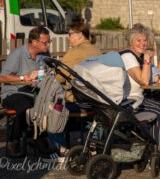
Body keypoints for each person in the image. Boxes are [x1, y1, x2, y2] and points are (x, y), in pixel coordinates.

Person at [120, 23, 160, 171]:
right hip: (129, 101)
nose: (143, 43)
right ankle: (154, 155)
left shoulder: (139, 57)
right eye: (138, 40)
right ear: (131, 41)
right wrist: (147, 59)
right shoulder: (128, 56)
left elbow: (154, 79)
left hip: (140, 98)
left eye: (144, 40)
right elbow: (144, 81)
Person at [48, 18, 102, 161]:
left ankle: (60, 148)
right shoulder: (97, 50)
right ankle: (93, 144)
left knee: (50, 108)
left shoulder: (76, 52)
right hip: (98, 100)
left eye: (70, 33)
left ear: (79, 35)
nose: (68, 36)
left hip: (78, 100)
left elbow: (58, 77)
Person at [1, 26, 50, 157]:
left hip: (34, 92)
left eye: (49, 42)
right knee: (25, 105)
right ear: (34, 42)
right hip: (13, 92)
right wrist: (25, 78)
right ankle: (14, 140)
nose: (48, 45)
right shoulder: (18, 54)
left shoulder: (44, 55)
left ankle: (37, 138)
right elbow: (2, 77)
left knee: (49, 103)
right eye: (45, 42)